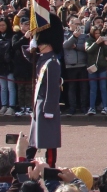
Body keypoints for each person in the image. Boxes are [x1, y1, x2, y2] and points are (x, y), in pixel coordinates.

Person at [25, 14, 62, 165]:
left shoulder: (52, 62)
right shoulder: (43, 58)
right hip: (38, 104)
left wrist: (49, 110)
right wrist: (30, 44)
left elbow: (53, 90)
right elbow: (30, 59)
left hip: (47, 107)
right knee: (34, 138)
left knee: (49, 140)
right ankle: (27, 162)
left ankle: (50, 167)